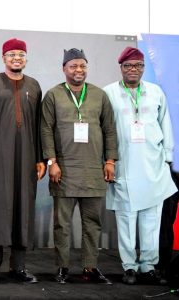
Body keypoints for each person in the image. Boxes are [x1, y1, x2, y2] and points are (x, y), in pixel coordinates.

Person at [0, 38, 45, 284]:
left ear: (26, 58)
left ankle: (19, 267)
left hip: (26, 158)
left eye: (21, 54)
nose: (16, 58)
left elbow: (38, 125)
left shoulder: (34, 86)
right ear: (3, 57)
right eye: (12, 54)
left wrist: (41, 158)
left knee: (22, 209)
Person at [40, 48, 118, 285]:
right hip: (63, 171)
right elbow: (45, 130)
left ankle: (90, 267)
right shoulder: (53, 95)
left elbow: (110, 130)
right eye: (73, 66)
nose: (78, 70)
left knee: (92, 224)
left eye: (82, 65)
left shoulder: (99, 95)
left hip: (94, 170)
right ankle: (62, 267)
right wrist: (52, 162)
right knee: (62, 224)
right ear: (64, 68)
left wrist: (110, 160)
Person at [103, 47, 177, 285]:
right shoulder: (109, 93)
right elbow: (104, 128)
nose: (133, 70)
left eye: (138, 66)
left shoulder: (155, 92)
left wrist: (167, 156)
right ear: (121, 68)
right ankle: (129, 267)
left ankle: (148, 265)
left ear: (143, 68)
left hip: (153, 165)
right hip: (124, 165)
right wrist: (108, 160)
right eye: (128, 66)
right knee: (126, 219)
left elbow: (165, 122)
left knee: (151, 220)